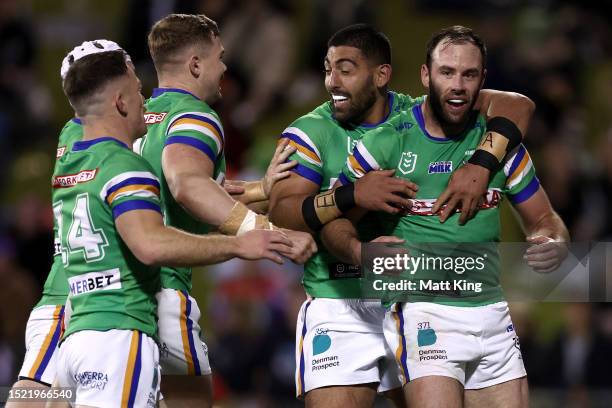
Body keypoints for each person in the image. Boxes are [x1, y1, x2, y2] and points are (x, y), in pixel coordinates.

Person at [268, 23, 536, 407]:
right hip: (341, 298)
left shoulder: (423, 116)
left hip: (419, 299)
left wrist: (480, 164)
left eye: (345, 69)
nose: (332, 82)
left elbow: (517, 105)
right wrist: (352, 195)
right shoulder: (311, 131)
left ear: (381, 75)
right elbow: (284, 212)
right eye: (328, 69)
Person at [325, 25, 569, 407]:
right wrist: (359, 253)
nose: (458, 84)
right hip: (424, 312)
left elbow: (545, 219)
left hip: (491, 312)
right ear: (426, 76)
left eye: (469, 74)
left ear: (482, 81)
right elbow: (331, 219)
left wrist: (551, 242)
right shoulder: (387, 143)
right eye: (447, 72)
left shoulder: (500, 145)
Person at [47, 45, 296, 407]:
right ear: (120, 101)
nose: (145, 100)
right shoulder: (134, 162)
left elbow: (177, 200)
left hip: (75, 323)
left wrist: (259, 189)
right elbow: (177, 202)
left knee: (32, 393)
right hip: (126, 326)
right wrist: (243, 240)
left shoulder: (72, 157)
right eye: (137, 91)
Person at [139, 13, 317, 407]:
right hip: (159, 294)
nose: (224, 67)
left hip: (100, 296)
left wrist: (261, 189)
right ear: (195, 64)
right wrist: (265, 231)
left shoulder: (136, 122)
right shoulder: (196, 117)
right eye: (219, 57)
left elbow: (192, 195)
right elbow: (187, 186)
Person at [6, 40, 129, 408]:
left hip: (94, 296)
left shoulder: (76, 133)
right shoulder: (93, 136)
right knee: (32, 396)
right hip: (70, 297)